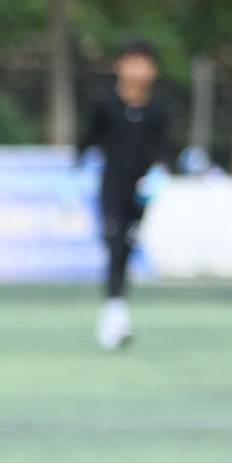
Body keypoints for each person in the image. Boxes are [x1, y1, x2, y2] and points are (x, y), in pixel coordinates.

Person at [76, 40, 171, 351]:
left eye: (144, 62)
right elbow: (87, 142)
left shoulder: (158, 110)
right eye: (132, 61)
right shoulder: (106, 105)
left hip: (141, 192)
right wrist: (74, 174)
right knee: (114, 242)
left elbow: (164, 149)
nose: (138, 69)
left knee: (126, 248)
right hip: (111, 187)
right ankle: (115, 312)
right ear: (119, 66)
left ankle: (115, 310)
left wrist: (159, 173)